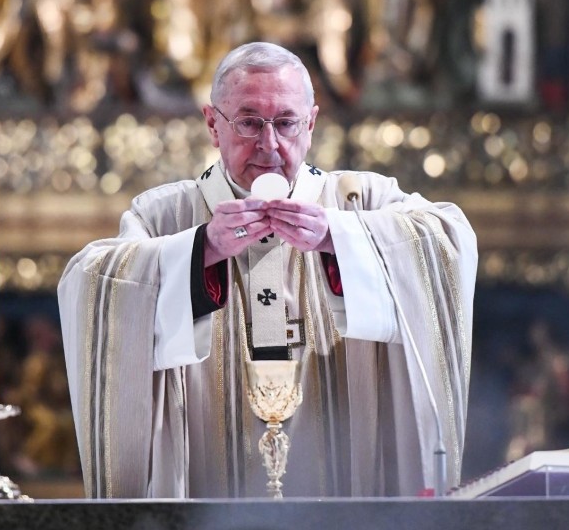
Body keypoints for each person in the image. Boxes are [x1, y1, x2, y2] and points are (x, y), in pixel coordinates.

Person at [58, 41, 477, 498]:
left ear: (312, 123)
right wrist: (200, 250)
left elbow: (450, 241)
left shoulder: (360, 201)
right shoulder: (165, 216)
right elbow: (93, 283)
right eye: (250, 122)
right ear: (213, 124)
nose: (269, 143)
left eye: (286, 122)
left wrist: (341, 238)